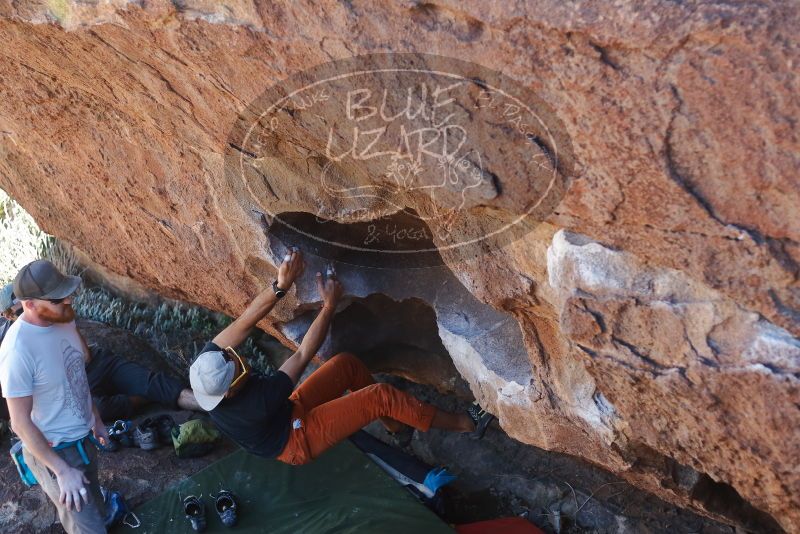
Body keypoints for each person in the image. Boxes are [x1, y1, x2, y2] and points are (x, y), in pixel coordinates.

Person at [189, 249, 494, 466]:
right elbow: (304, 353)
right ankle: (467, 424)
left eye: (234, 359)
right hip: (295, 440)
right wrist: (329, 306)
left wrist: (281, 286)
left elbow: (245, 321)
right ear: (228, 391)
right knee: (380, 396)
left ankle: (397, 427)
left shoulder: (207, 367)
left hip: (285, 411)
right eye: (238, 371)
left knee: (346, 365)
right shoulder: (255, 405)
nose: (240, 362)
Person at [0, 260, 109, 533]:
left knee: (98, 509)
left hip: (83, 437)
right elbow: (20, 423)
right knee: (90, 529)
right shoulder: (17, 351)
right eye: (59, 298)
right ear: (30, 305)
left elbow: (75, 375)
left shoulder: (63, 319)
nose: (69, 300)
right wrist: (61, 471)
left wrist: (94, 418)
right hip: (55, 452)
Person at [0, 280, 202, 425]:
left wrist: (64, 322)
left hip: (97, 363)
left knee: (150, 381)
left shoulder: (55, 315)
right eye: (21, 309)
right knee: (100, 409)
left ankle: (207, 402)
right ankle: (148, 397)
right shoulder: (15, 347)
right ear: (8, 314)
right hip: (74, 385)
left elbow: (85, 356)